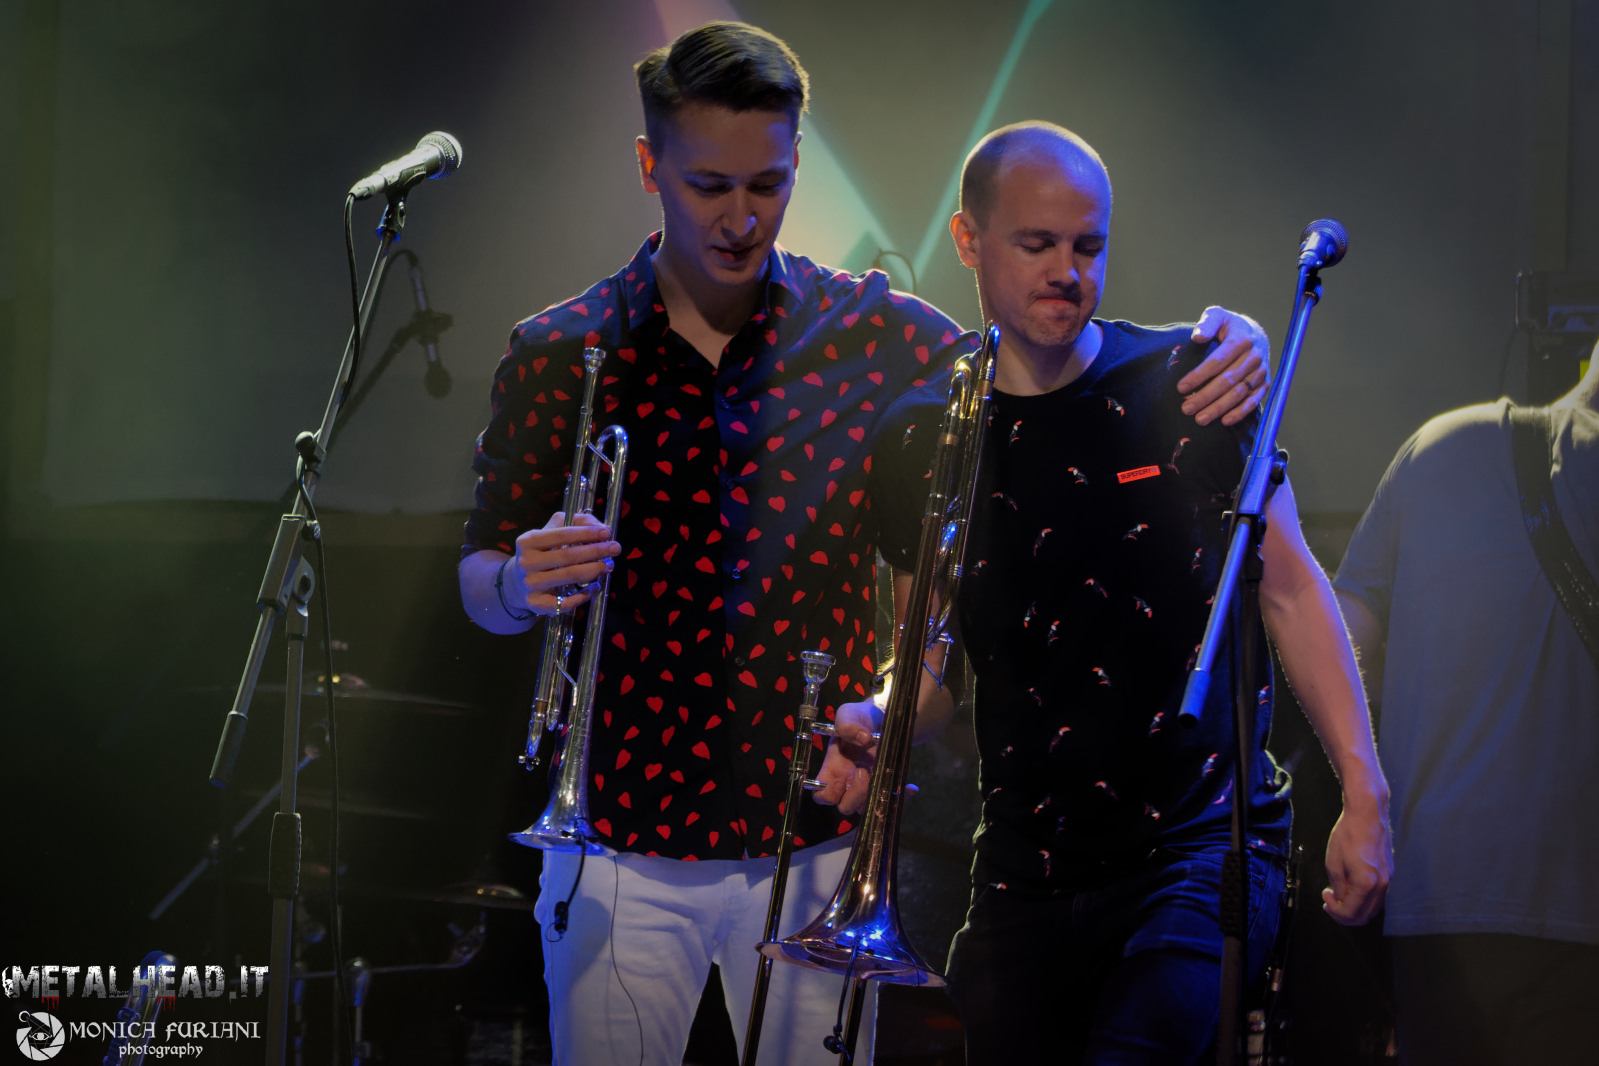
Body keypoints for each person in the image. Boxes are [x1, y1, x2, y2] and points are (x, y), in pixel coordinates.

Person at [458, 25, 1272, 1065]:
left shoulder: (887, 337)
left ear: (798, 163)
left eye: (769, 184)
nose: (742, 218)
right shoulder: (560, 350)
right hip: (620, 842)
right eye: (709, 186)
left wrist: (1225, 343)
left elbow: (1047, 344)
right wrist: (517, 586)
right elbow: (478, 575)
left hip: (816, 843)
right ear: (649, 166)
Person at [821, 122, 1392, 1064]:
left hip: (1196, 845)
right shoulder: (921, 436)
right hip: (1021, 871)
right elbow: (930, 668)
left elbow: (1292, 588)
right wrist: (878, 719)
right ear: (968, 241)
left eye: (1087, 246)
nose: (1067, 271)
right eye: (1036, 244)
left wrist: (1364, 793)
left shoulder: (1188, 383)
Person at [1333, 351, 1599, 1065]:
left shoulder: (1443, 443)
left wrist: (1358, 798)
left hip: (1436, 897)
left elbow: (1339, 636)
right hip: (1581, 909)